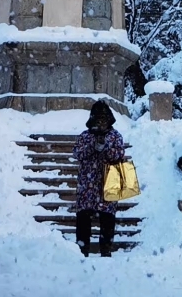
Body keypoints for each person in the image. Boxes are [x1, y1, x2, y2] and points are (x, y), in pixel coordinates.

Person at [70, 99, 129, 256]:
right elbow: (77, 153)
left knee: (107, 220)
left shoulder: (115, 136)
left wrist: (106, 149)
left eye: (104, 119)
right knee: (83, 219)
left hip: (108, 182)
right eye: (98, 119)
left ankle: (106, 250)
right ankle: (82, 251)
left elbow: (119, 155)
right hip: (87, 184)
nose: (101, 123)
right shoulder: (85, 136)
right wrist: (92, 147)